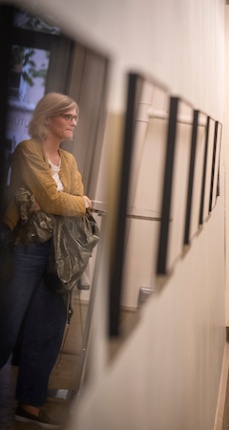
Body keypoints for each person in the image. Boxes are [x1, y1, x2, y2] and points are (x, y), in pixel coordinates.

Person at [0, 93, 92, 429]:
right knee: (7, 325)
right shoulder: (27, 150)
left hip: (59, 255)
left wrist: (67, 201)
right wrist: (75, 201)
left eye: (75, 117)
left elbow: (65, 199)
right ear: (48, 118)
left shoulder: (68, 161)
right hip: (26, 247)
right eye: (67, 116)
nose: (73, 123)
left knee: (47, 331)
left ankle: (30, 405)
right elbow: (54, 198)